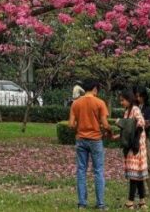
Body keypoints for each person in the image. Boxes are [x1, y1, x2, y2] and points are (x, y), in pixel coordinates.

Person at [68, 79, 111, 210]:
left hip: (81, 139)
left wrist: (80, 126)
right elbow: (105, 124)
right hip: (96, 140)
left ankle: (82, 203)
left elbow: (71, 125)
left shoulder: (76, 103)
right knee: (98, 171)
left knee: (81, 171)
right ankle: (100, 204)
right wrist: (108, 131)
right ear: (95, 89)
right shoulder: (100, 103)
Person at [116, 88, 149, 209]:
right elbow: (127, 130)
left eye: (123, 100)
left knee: (134, 175)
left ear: (129, 100)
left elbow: (140, 124)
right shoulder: (127, 111)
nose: (121, 103)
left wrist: (135, 142)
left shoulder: (134, 110)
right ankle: (142, 201)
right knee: (138, 175)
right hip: (133, 146)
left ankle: (130, 201)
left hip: (136, 147)